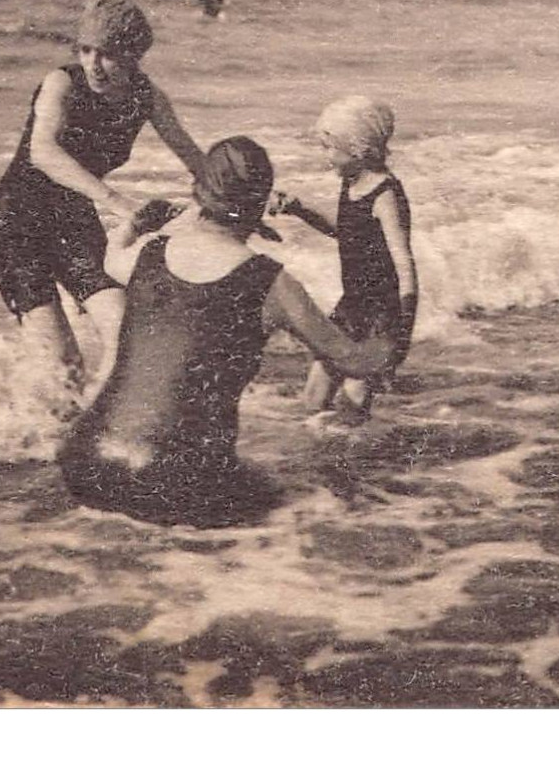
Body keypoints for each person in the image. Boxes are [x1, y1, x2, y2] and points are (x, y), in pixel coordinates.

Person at [59, 137, 395, 526]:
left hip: (87, 461)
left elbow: (111, 258)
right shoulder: (269, 281)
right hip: (170, 478)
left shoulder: (149, 253)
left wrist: (135, 224)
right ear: (259, 203)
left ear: (198, 194)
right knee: (304, 504)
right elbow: (355, 360)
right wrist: (393, 322)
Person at [0, 0, 208, 408]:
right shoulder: (62, 83)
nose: (93, 63)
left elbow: (193, 156)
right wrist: (117, 202)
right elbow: (43, 152)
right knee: (64, 365)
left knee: (126, 332)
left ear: (133, 55)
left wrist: (241, 202)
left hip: (72, 220)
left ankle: (105, 431)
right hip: (18, 223)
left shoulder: (147, 97)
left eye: (107, 54)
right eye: (86, 50)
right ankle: (55, 444)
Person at [272, 96, 417, 426]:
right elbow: (347, 232)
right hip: (352, 307)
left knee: (354, 402)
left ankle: (354, 469)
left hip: (382, 314)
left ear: (359, 149)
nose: (325, 158)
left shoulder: (385, 195)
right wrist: (300, 210)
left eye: (330, 148)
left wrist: (402, 327)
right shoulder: (351, 185)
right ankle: (322, 462)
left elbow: (403, 262)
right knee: (314, 395)